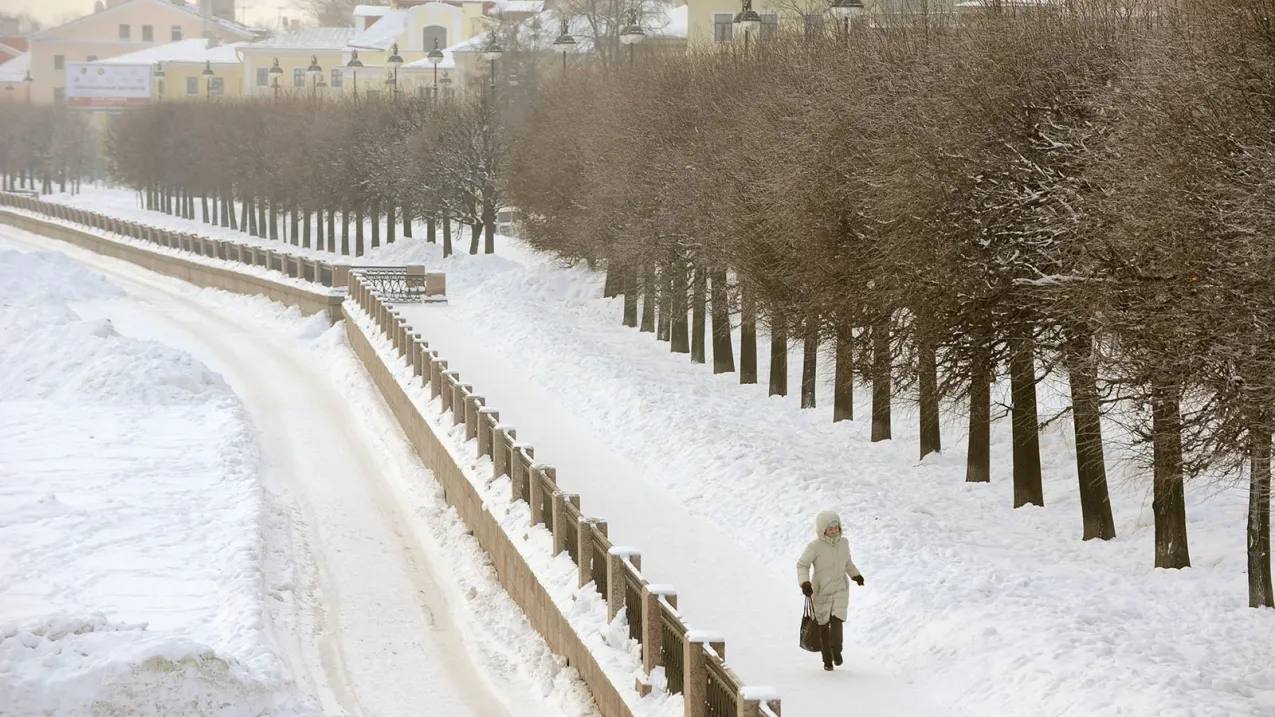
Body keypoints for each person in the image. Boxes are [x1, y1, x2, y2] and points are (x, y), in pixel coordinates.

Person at [797, 510, 864, 671]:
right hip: (821, 590)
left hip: (840, 589)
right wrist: (805, 583)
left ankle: (837, 651)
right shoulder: (815, 547)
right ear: (822, 529)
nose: (834, 530)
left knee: (837, 621)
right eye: (830, 528)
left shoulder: (844, 543)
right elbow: (802, 565)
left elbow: (847, 563)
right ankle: (827, 658)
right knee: (822, 624)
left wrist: (856, 575)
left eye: (836, 527)